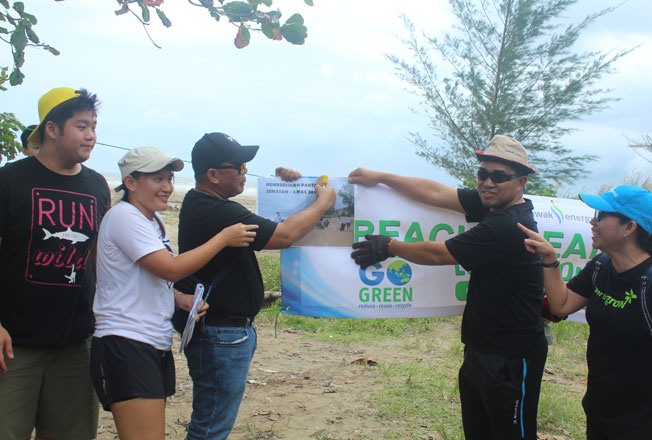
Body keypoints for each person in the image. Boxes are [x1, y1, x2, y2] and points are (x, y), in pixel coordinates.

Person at [349, 135, 547, 440]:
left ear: (520, 182)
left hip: (512, 357)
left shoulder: (508, 226)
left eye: (499, 177)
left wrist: (390, 246)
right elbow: (436, 192)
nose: (488, 183)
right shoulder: (493, 208)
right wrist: (381, 178)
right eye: (483, 174)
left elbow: (439, 253)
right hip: (480, 351)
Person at [90, 146, 258, 440]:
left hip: (151, 340)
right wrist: (223, 237)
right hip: (126, 341)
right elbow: (171, 269)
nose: (167, 187)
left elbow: (148, 277)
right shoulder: (124, 217)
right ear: (130, 182)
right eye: (157, 179)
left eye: (169, 179)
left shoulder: (152, 220)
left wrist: (178, 298)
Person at [178, 132, 336, 440]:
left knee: (212, 423)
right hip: (221, 336)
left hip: (224, 334)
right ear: (212, 175)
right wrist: (323, 203)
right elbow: (282, 236)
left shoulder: (208, 204)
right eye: (238, 166)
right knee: (210, 428)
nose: (245, 172)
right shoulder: (218, 211)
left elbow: (272, 225)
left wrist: (297, 187)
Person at [0, 87, 109, 439]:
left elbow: (97, 257)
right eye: (81, 126)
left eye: (93, 126)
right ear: (52, 129)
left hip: (76, 340)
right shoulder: (6, 182)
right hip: (13, 342)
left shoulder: (96, 186)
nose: (91, 135)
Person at [518, 185, 652, 440]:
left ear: (629, 228)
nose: (592, 221)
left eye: (601, 215)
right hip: (602, 407)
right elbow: (561, 306)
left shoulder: (648, 281)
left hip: (642, 420)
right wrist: (549, 259)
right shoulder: (601, 267)